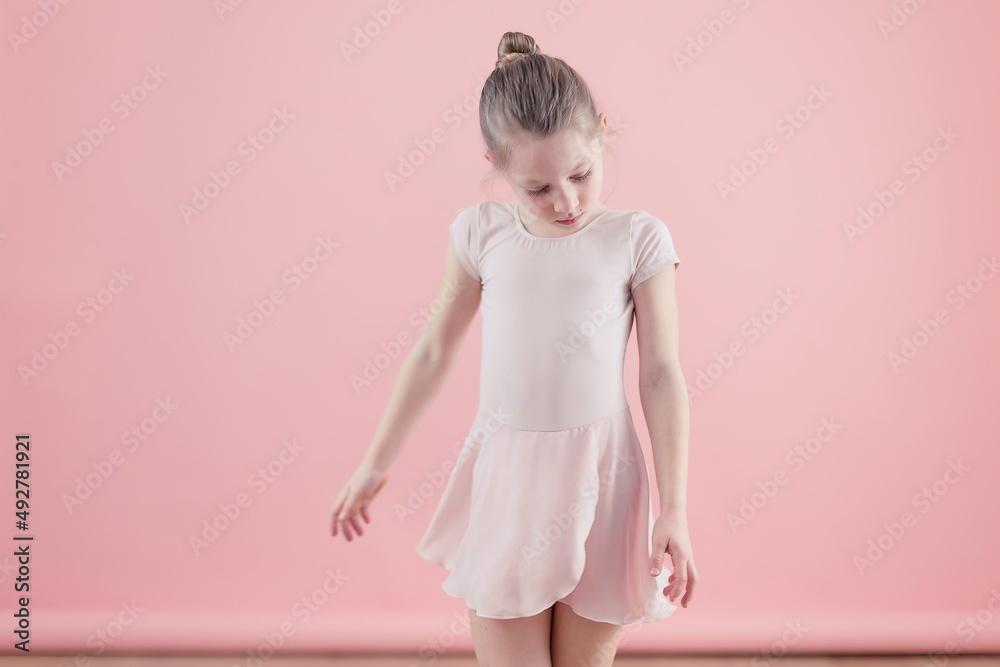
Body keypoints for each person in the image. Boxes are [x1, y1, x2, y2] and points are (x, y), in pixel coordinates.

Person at [330, 30, 697, 666]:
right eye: (537, 188)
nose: (566, 202)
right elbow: (434, 353)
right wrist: (377, 461)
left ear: (603, 131)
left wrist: (676, 509)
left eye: (581, 174)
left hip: (604, 476)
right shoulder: (480, 235)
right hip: (509, 478)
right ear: (496, 166)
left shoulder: (636, 239)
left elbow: (661, 374)